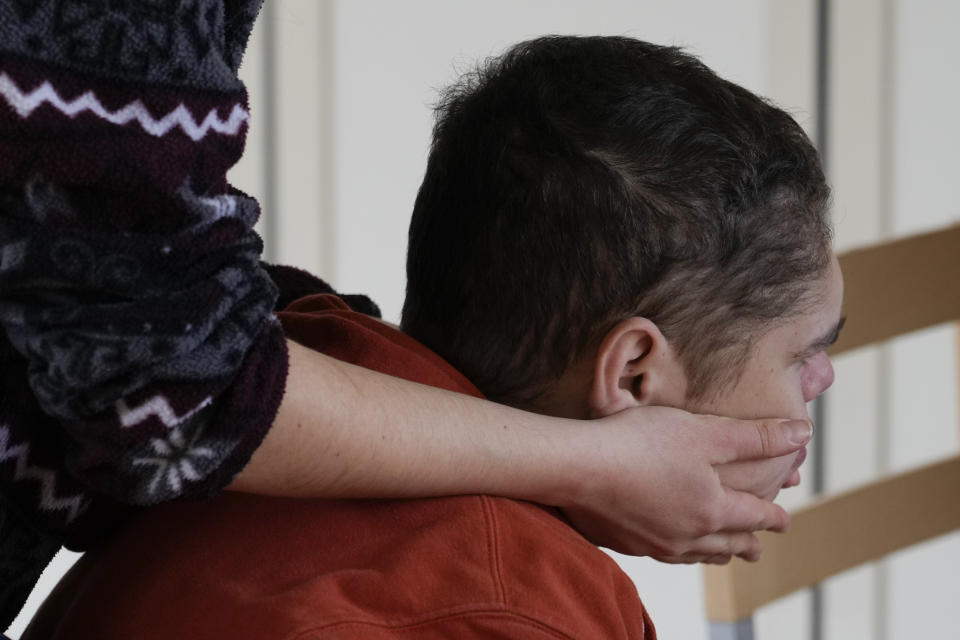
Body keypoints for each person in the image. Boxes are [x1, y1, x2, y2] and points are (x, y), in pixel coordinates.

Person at [22, 35, 840, 640]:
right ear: (631, 377)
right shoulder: (505, 612)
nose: (824, 380)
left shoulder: (313, 351)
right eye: (803, 351)